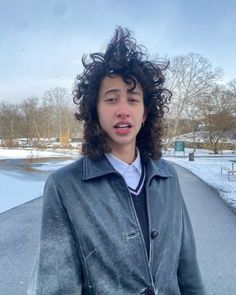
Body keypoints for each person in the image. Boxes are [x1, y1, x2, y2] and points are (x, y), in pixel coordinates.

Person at [28, 27, 206, 295]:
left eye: (133, 100)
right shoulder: (65, 186)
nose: (123, 110)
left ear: (144, 113)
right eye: (111, 99)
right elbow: (55, 285)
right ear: (95, 110)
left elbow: (188, 269)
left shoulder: (168, 177)